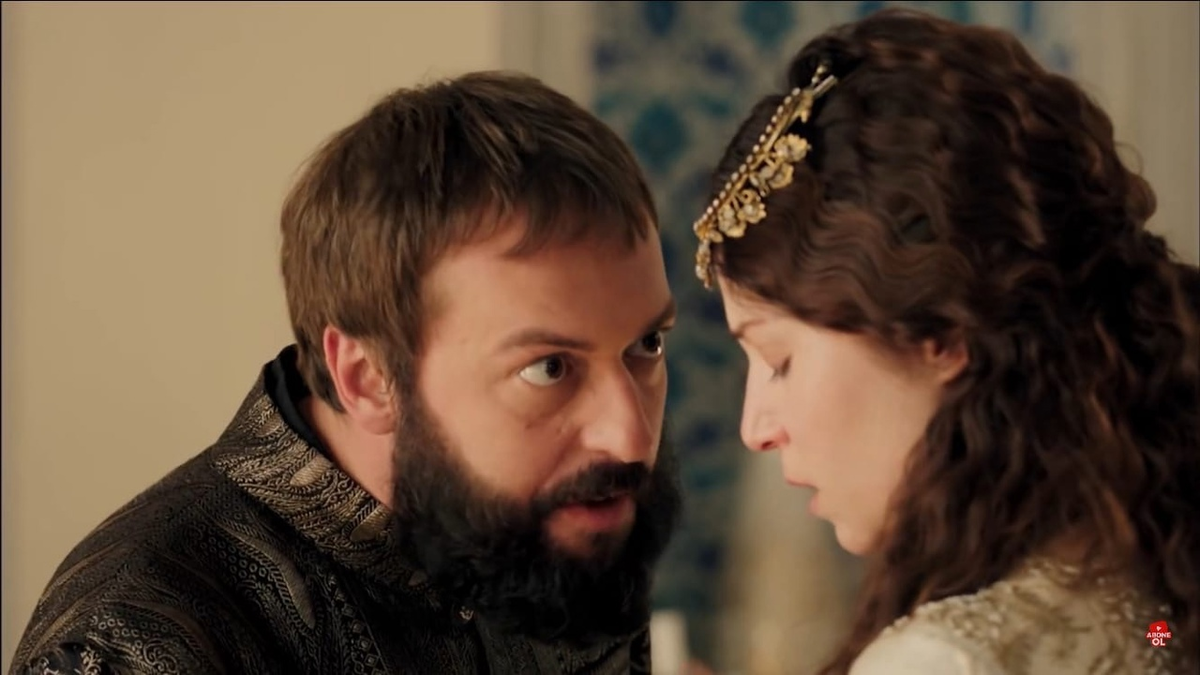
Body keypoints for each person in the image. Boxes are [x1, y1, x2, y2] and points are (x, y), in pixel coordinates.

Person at [11, 70, 683, 675]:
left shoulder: (559, 533)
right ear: (367, 378)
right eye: (549, 368)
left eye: (646, 344)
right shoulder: (137, 642)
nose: (629, 436)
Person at [692, 8, 1198, 675]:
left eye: (779, 360)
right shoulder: (1156, 607)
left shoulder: (942, 658)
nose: (755, 427)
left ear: (939, 332)